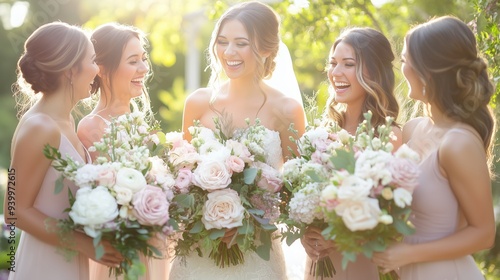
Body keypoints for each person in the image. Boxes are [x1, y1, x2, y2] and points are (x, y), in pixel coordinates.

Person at [168, 1, 306, 279]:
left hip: (256, 255)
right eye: (222, 41)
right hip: (198, 252)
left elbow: (295, 190)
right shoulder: (197, 103)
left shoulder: (286, 109)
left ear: (266, 49)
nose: (229, 52)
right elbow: (181, 176)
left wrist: (247, 220)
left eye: (241, 43)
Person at [372, 16, 496, 279]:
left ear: (428, 71)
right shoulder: (413, 128)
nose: (401, 68)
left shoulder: (458, 142)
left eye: (405, 61)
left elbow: (484, 233)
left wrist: (408, 253)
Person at [5, 22, 122, 280]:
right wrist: (85, 245)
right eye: (92, 60)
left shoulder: (67, 122)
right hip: (44, 265)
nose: (97, 69)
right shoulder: (39, 126)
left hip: (71, 261)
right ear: (70, 71)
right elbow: (13, 210)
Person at [300, 27, 402, 280]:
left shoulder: (389, 136)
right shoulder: (322, 133)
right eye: (333, 63)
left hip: (363, 264)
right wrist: (307, 233)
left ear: (375, 72)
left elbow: (397, 218)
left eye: (348, 64)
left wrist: (343, 237)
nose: (335, 73)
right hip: (319, 264)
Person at [76, 23, 169, 280]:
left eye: (144, 59)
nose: (143, 68)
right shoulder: (92, 127)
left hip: (154, 244)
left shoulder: (140, 120)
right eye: (133, 61)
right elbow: (105, 201)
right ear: (102, 69)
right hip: (121, 251)